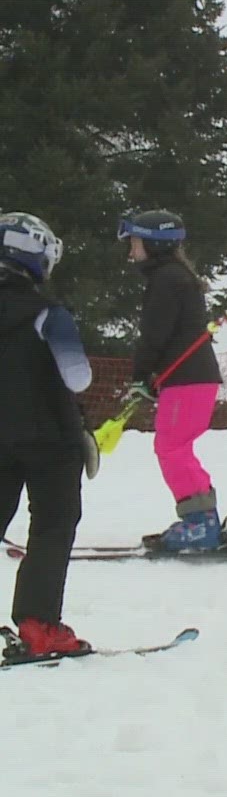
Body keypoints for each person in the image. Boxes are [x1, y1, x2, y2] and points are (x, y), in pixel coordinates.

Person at [0, 213, 93, 659]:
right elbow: (78, 377)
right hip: (50, 440)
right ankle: (39, 626)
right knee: (53, 527)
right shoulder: (47, 313)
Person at [118, 211, 227, 552]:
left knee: (171, 448)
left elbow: (155, 333)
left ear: (154, 245)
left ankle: (200, 524)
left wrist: (141, 374)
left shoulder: (166, 279)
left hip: (188, 379)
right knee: (176, 447)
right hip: (190, 378)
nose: (131, 253)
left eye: (135, 244)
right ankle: (202, 519)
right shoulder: (174, 276)